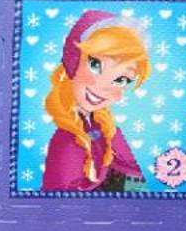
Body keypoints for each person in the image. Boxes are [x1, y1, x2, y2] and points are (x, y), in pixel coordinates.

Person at [42, 10, 150, 192]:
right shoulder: (67, 139)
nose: (104, 87)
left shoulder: (105, 126)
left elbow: (133, 168)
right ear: (74, 61)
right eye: (95, 65)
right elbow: (59, 197)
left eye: (121, 80)